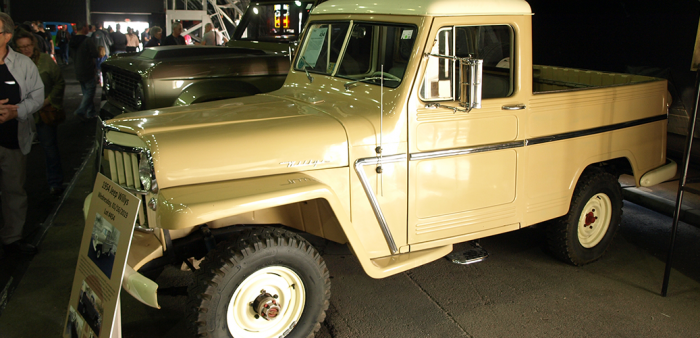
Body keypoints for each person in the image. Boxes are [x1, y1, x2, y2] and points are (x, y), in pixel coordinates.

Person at [0, 13, 44, 256]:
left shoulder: (23, 65)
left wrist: (16, 111)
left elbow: (37, 96)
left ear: (7, 36)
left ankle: (12, 239)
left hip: (13, 140)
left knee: (14, 191)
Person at [14, 29, 65, 196]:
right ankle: (15, 186)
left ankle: (55, 182)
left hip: (43, 111)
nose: (26, 49)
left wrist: (46, 101)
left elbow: (59, 82)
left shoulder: (44, 61)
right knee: (15, 152)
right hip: (19, 113)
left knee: (50, 148)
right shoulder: (12, 64)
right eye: (22, 47)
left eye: (28, 46)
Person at [69, 22, 99, 120]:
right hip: (87, 68)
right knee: (90, 91)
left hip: (78, 68)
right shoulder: (87, 40)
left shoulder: (72, 40)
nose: (88, 28)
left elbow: (70, 54)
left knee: (86, 91)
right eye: (87, 27)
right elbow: (95, 53)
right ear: (83, 28)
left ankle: (91, 112)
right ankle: (81, 111)